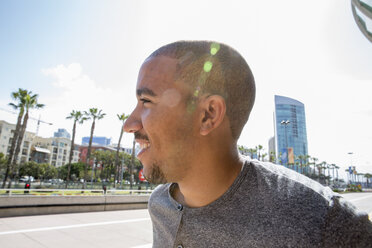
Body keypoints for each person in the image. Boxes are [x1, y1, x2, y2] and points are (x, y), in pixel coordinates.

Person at [123, 41, 372, 248]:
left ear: (208, 115)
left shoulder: (324, 221)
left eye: (146, 101)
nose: (129, 124)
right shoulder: (159, 205)